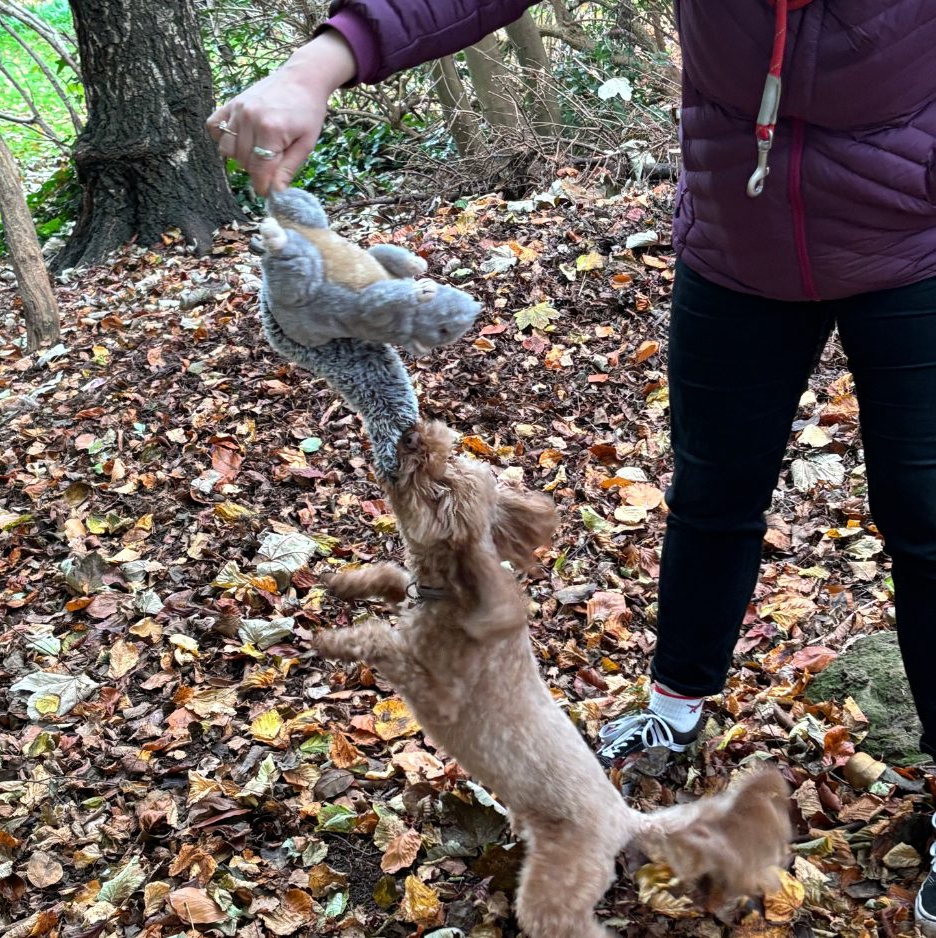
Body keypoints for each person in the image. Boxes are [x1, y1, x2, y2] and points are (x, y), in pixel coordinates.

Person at [208, 2, 936, 930]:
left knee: (928, 525)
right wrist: (320, 63)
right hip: (738, 254)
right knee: (712, 494)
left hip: (916, 252)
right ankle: (675, 707)